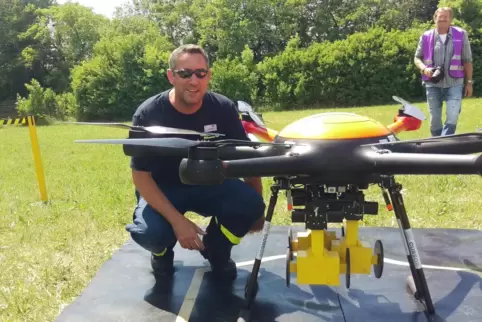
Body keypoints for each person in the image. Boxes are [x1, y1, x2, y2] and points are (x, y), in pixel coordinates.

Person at [125, 44, 266, 281]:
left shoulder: (222, 108)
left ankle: (217, 249)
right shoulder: (148, 114)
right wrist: (178, 222)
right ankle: (161, 253)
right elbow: (141, 177)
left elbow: (245, 157)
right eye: (185, 73)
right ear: (171, 76)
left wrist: (256, 206)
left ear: (208, 75)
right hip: (164, 188)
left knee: (250, 206)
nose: (194, 81)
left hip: (212, 184)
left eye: (201, 73)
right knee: (150, 233)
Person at [414, 7, 473, 137]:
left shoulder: (461, 34)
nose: (443, 18)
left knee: (452, 116)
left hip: (454, 83)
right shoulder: (426, 36)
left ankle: (443, 143)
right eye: (440, 16)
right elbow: (417, 58)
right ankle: (437, 144)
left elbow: (467, 60)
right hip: (432, 84)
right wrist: (424, 68)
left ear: (451, 19)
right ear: (434, 19)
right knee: (435, 120)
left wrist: (469, 82)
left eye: (446, 17)